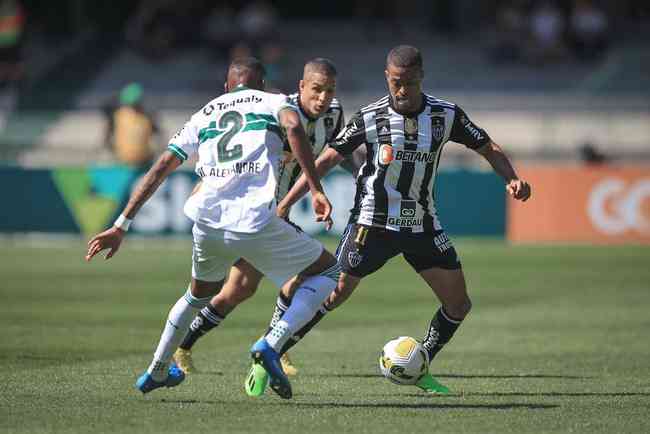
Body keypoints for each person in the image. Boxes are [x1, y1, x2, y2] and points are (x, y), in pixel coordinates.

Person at [248, 45, 532, 395]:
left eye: (409, 83)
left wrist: (511, 177)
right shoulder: (370, 117)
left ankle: (420, 361)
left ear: (421, 78)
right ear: (387, 77)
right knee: (331, 293)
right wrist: (287, 203)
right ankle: (272, 350)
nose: (401, 90)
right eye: (396, 82)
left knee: (459, 304)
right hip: (372, 224)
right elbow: (325, 160)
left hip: (423, 225)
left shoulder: (446, 115)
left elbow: (487, 147)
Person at [85, 57, 342, 400]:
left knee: (198, 294)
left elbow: (162, 164)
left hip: (206, 221)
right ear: (262, 84)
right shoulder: (273, 101)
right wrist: (316, 188)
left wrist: (121, 224)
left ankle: (157, 369)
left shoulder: (206, 112)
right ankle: (272, 343)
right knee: (329, 272)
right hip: (254, 219)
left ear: (226, 87)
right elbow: (294, 129)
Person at [172, 58, 347, 379]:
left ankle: (195, 346)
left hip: (274, 212)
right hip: (250, 210)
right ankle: (270, 348)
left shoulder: (334, 115)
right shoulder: (276, 109)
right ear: (302, 87)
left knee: (241, 287)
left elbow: (336, 154)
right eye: (317, 90)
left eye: (329, 91)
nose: (322, 98)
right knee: (275, 281)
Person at [103, 82, 161, 168]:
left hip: (144, 162)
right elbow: (106, 139)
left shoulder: (147, 117)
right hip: (123, 163)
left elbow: (158, 136)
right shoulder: (117, 116)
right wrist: (116, 152)